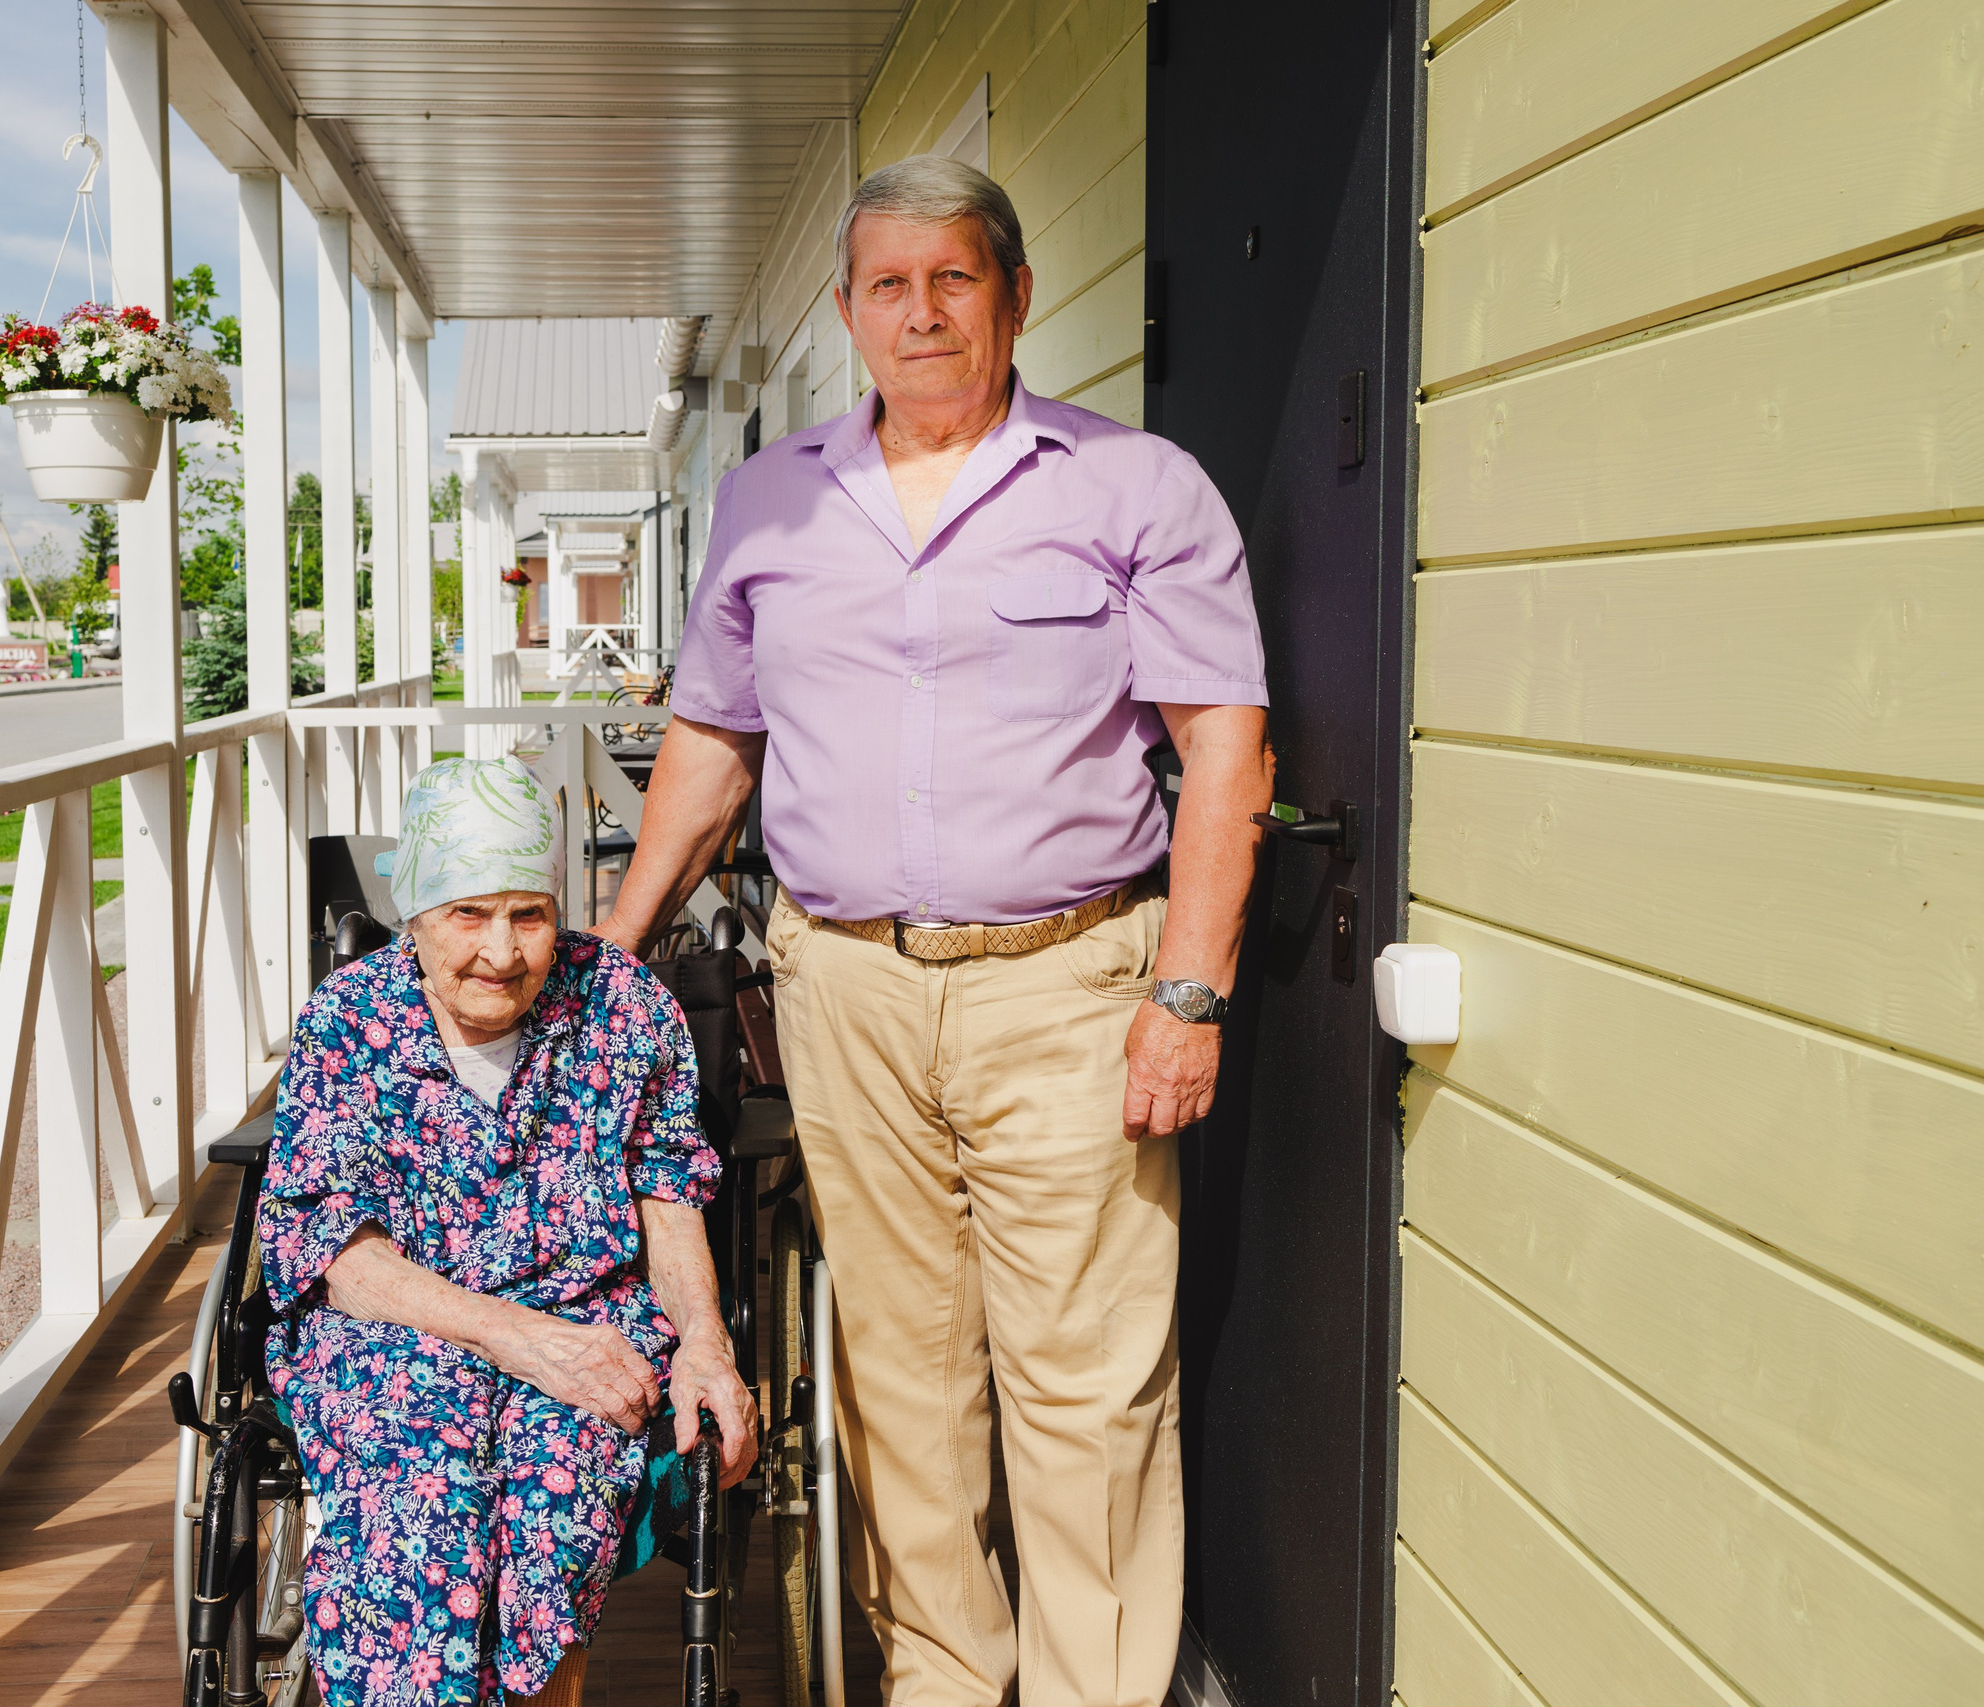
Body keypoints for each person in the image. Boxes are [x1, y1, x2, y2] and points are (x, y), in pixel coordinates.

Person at [596, 155, 1274, 1706]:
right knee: (900, 1377)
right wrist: (617, 947)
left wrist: (1194, 988)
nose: (921, 313)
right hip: (841, 992)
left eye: (953, 279)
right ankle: (945, 1678)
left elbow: (1227, 747)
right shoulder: (772, 501)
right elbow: (712, 742)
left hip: (1070, 982)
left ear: (1015, 295)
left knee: (1085, 1381)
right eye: (888, 284)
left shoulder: (1134, 487)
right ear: (846, 311)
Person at [258, 756, 762, 1707]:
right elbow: (338, 1253)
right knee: (411, 1514)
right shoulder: (351, 1018)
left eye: (529, 914)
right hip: (397, 1333)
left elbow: (668, 1193)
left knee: (556, 1513)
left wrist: (704, 1338)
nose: (503, 949)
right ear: (414, 912)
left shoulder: (619, 1001)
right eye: (467, 913)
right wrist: (516, 1337)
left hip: (591, 1327)